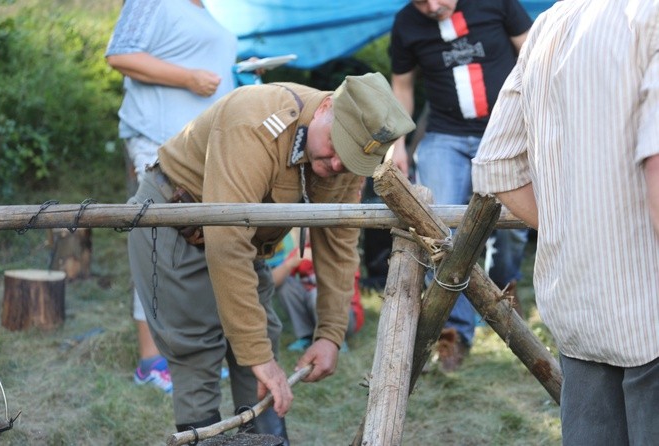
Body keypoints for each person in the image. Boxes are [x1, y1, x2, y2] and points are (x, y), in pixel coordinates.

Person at [127, 72, 415, 437]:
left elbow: (339, 243)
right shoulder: (253, 123)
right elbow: (226, 241)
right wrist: (256, 356)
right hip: (175, 221)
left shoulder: (347, 151)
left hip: (239, 241)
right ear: (327, 106)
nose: (340, 166)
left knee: (260, 345)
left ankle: (265, 439)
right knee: (199, 349)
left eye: (353, 159)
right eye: (338, 147)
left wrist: (329, 333)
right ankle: (203, 436)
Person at [471, 1, 659, 444]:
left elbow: (497, 165)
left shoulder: (549, 23)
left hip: (576, 304)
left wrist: (568, 232)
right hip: (651, 307)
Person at [388, 0, 533, 372]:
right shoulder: (406, 22)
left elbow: (534, 52)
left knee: (515, 227)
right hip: (444, 135)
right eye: (421, 1)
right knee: (442, 230)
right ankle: (455, 331)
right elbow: (402, 86)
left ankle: (500, 293)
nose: (433, 7)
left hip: (503, 131)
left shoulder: (496, 3)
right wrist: (398, 144)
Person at [105, 0, 237, 394]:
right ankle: (150, 362)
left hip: (204, 150)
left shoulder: (205, 8)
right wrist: (188, 79)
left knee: (195, 251)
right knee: (155, 247)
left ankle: (189, 354)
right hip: (161, 144)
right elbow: (120, 54)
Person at [267, 229, 365, 352]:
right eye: (308, 228)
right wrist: (290, 264)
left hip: (345, 317)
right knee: (285, 284)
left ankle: (335, 340)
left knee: (318, 293)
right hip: (313, 310)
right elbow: (271, 283)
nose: (311, 232)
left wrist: (320, 259)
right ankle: (306, 336)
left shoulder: (340, 250)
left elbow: (344, 284)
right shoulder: (303, 250)